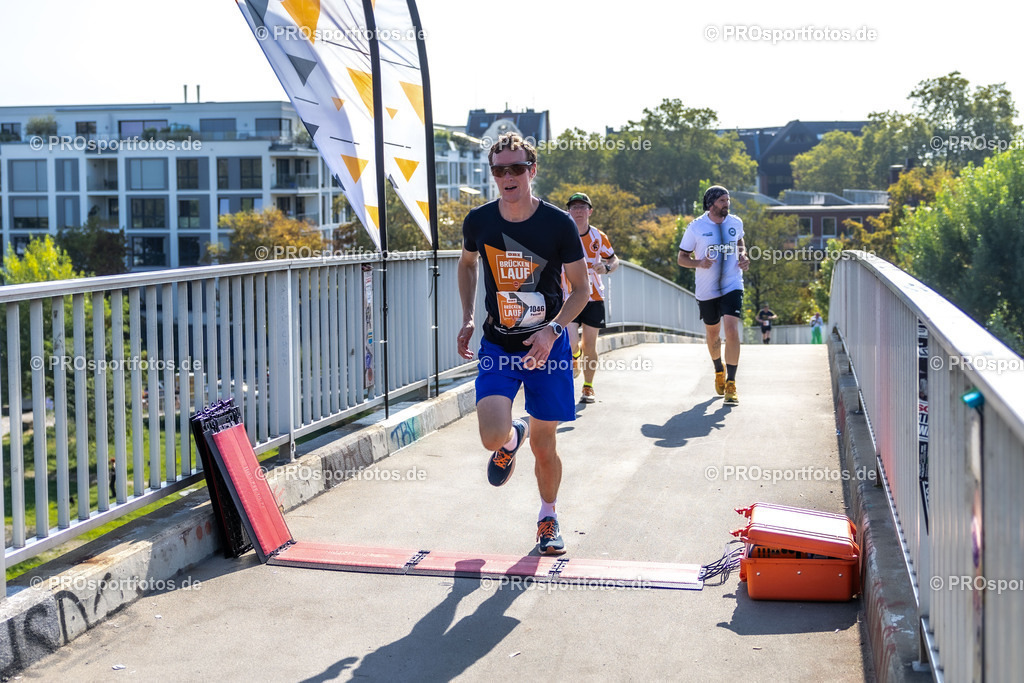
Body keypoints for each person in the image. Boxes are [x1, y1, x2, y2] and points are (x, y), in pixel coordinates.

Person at [457, 132, 590, 556]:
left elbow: (582, 290)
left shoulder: (557, 223)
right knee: (490, 435)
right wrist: (466, 317)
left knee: (544, 444)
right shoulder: (479, 221)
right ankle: (510, 437)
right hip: (499, 344)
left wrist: (553, 330)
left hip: (547, 349)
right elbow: (466, 263)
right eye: (500, 170)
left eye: (517, 168)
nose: (508, 176)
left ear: (532, 171)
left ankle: (547, 517)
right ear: (493, 174)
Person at [677, 185, 749, 405]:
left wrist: (743, 256)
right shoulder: (696, 227)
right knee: (713, 334)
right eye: (722, 201)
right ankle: (719, 369)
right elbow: (681, 258)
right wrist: (699, 262)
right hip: (707, 289)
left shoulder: (735, 222)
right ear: (711, 204)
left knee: (731, 330)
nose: (726, 204)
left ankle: (731, 383)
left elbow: (740, 243)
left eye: (728, 200)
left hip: (732, 284)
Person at [563, 192, 619, 404]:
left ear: (590, 211)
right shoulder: (563, 234)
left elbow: (613, 259)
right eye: (574, 207)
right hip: (568, 295)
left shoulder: (598, 236)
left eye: (582, 207)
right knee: (571, 342)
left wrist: (606, 267)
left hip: (594, 296)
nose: (578, 211)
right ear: (569, 211)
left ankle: (588, 387)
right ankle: (574, 358)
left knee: (590, 345)